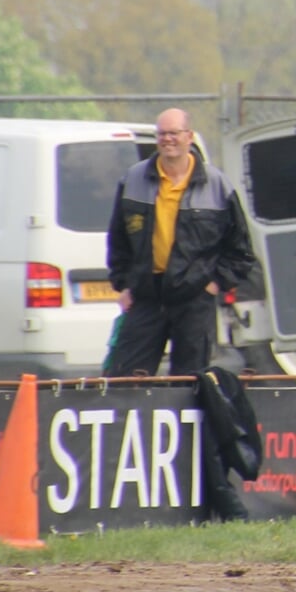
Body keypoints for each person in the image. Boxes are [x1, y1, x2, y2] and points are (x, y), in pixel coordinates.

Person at [104, 109, 257, 520]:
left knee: (195, 392)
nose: (168, 140)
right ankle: (117, 493)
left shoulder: (218, 186)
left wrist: (213, 284)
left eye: (175, 133)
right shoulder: (134, 180)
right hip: (147, 301)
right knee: (123, 383)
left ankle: (204, 493)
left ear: (190, 136)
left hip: (194, 303)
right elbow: (117, 238)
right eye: (162, 134)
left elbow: (241, 253)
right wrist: (123, 284)